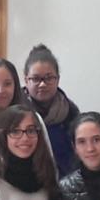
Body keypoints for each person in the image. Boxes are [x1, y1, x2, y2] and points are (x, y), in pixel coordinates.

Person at [23, 44, 80, 176]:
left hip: (64, 184)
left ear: (58, 79)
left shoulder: (70, 111)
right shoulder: (15, 111)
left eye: (49, 78)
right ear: (26, 80)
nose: (42, 84)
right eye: (36, 79)